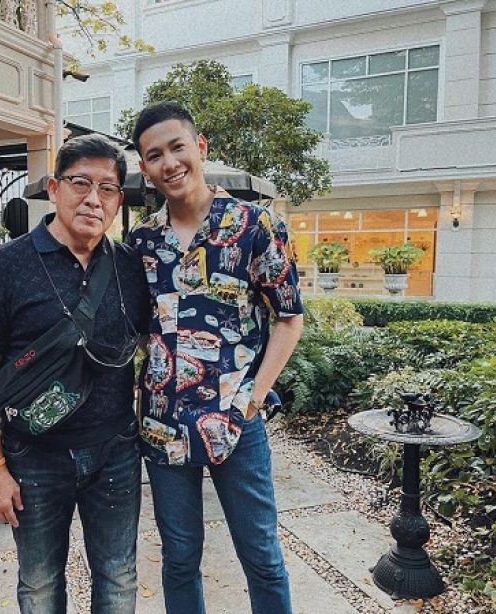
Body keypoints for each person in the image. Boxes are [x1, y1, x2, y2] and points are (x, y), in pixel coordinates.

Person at [127, 101, 304, 614]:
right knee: (180, 558)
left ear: (199, 147)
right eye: (154, 155)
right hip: (163, 425)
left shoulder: (254, 225)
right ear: (144, 168)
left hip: (236, 419)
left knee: (262, 557)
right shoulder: (142, 241)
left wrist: (254, 398)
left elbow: (289, 317)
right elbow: (139, 328)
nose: (169, 163)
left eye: (177, 147)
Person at [0, 133, 149, 614]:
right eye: (80, 183)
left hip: (116, 452)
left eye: (107, 188)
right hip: (33, 456)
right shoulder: (4, 267)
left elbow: (158, 346)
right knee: (40, 584)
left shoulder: (130, 267)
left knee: (119, 577)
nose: (93, 199)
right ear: (54, 188)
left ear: (118, 200)